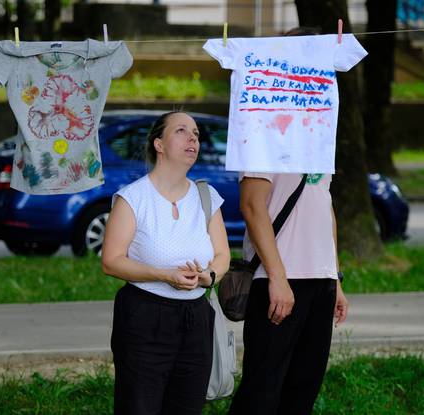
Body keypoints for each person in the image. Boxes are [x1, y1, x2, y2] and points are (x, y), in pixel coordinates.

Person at [101, 111, 231, 415]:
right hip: (145, 317)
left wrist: (208, 276)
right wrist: (163, 275)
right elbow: (111, 261)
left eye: (196, 134)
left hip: (197, 317)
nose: (193, 139)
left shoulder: (206, 196)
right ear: (159, 144)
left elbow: (223, 255)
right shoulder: (133, 198)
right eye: (182, 131)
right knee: (139, 406)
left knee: (187, 406)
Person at [228, 171, 349, 415]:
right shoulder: (265, 135)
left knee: (303, 390)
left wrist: (335, 277)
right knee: (261, 392)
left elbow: (325, 204)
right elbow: (251, 205)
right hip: (277, 279)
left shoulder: (320, 136)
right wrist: (277, 277)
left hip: (321, 280)